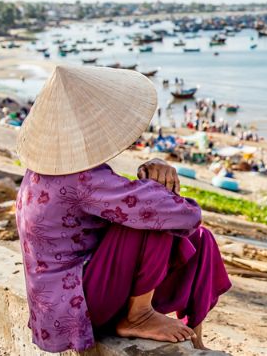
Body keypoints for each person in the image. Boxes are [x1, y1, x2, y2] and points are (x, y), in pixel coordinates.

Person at [15, 66, 230, 353]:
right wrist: (159, 179)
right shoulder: (83, 179)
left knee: (199, 240)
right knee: (158, 220)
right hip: (78, 304)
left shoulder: (45, 170)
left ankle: (196, 339)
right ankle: (138, 315)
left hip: (60, 299)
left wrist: (150, 180)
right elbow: (184, 214)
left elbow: (117, 201)